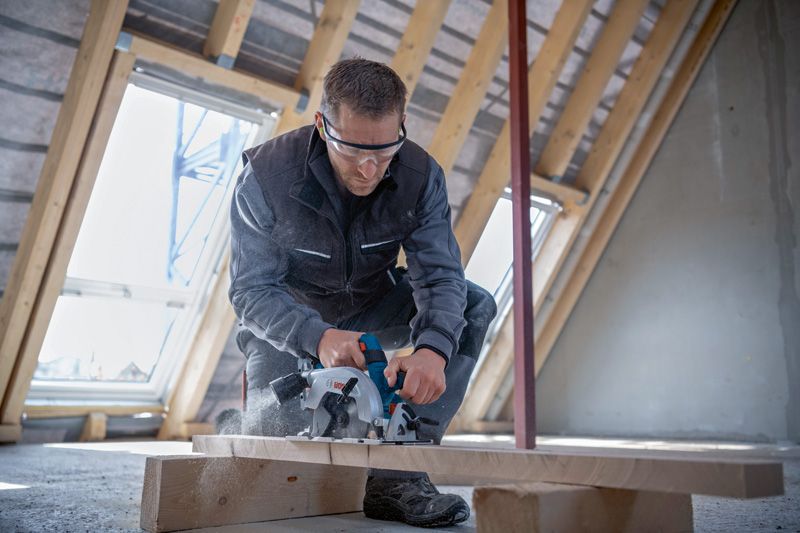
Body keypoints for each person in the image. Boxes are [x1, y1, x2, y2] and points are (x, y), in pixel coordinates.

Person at [228, 58, 497, 528]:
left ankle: (399, 473)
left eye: (385, 150)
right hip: (291, 320)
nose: (370, 168)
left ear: (402, 127)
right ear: (321, 125)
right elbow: (251, 291)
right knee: (270, 461)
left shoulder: (420, 178)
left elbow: (438, 278)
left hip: (374, 305)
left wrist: (433, 350)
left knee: (474, 304)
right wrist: (318, 337)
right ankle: (243, 419)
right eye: (352, 150)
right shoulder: (265, 177)